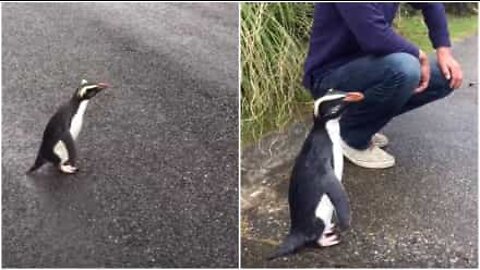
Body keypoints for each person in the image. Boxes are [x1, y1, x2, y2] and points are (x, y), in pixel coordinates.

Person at [303, 3, 463, 169]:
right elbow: (374, 36)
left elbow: (431, 4)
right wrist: (419, 55)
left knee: (444, 76)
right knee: (405, 68)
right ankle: (350, 137)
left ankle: (356, 121)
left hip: (371, 67)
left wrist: (444, 51)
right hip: (330, 74)